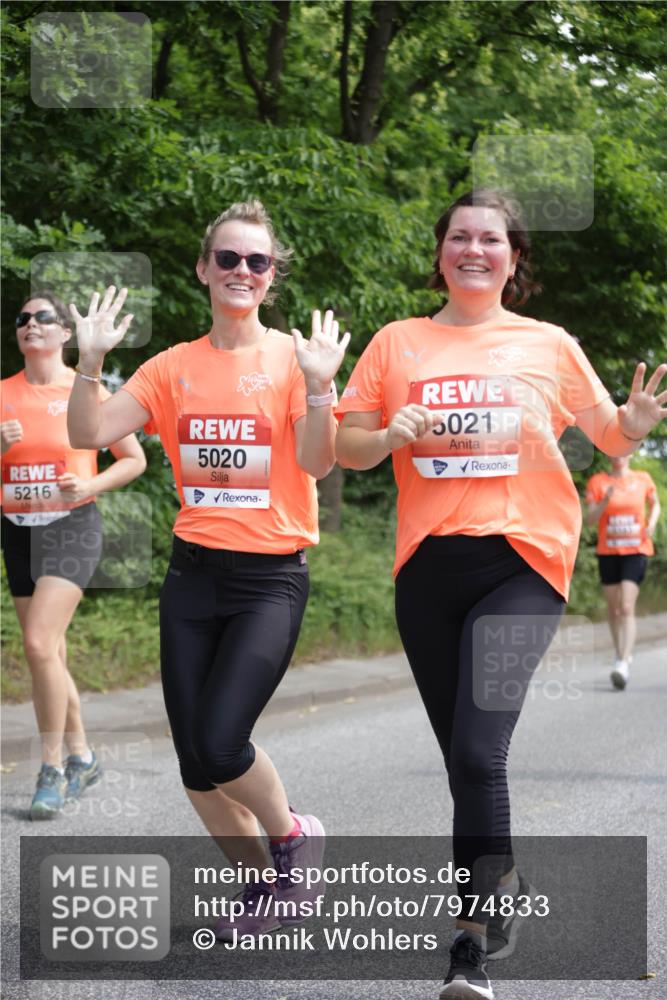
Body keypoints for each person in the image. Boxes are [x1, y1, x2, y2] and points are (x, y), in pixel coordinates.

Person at [335, 189, 666, 1000]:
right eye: (458, 237)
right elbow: (344, 447)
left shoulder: (547, 344)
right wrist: (386, 436)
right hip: (427, 568)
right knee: (461, 759)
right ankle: (503, 879)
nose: (473, 249)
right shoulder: (397, 342)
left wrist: (636, 419)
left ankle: (469, 943)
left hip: (523, 563)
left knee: (481, 754)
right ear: (440, 253)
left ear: (513, 258)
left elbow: (609, 434)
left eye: (490, 239)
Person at [67, 199, 350, 938]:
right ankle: (261, 888)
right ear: (203, 268)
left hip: (269, 578)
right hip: (193, 575)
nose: (241, 272)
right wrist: (89, 364)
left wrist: (321, 388)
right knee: (196, 765)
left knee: (223, 741)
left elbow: (319, 463)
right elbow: (90, 432)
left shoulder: (295, 358)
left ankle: (291, 836)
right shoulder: (171, 368)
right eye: (227, 258)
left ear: (271, 276)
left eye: (257, 261)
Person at [1, 291, 146, 820]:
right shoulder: (2, 394)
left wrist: (88, 483)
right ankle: (84, 755)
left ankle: (51, 767)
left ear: (65, 333)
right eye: (23, 319)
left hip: (71, 526)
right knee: (51, 654)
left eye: (43, 318)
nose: (31, 325)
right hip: (16, 528)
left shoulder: (86, 390)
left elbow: (133, 460)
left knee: (39, 644)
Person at [586, 456, 660, 689]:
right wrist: (605, 500)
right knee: (614, 608)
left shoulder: (642, 479)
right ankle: (621, 655)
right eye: (614, 452)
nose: (619, 456)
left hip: (636, 549)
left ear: (630, 453)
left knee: (627, 606)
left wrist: (652, 523)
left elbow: (655, 503)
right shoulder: (598, 482)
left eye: (623, 451)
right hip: (608, 552)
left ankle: (623, 662)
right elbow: (590, 520)